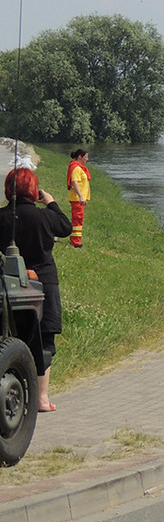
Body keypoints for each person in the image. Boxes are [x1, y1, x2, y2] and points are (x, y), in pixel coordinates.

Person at [0, 168, 73, 412]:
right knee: (44, 340)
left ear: (8, 190)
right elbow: (66, 227)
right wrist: (51, 202)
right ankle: (41, 398)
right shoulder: (43, 216)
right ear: (34, 190)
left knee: (9, 337)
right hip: (44, 284)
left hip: (9, 284)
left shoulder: (1, 217)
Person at [67, 148, 91, 248]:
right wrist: (81, 197)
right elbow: (74, 182)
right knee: (77, 220)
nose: (87, 159)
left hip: (79, 199)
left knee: (78, 220)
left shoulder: (79, 167)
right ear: (80, 157)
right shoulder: (76, 168)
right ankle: (75, 242)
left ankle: (75, 240)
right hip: (77, 199)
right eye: (86, 157)